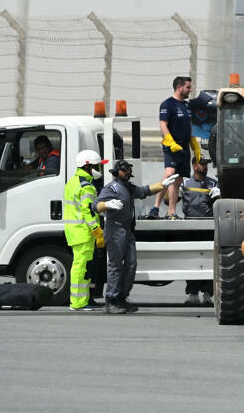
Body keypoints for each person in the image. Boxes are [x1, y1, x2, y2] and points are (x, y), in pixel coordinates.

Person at [94, 159, 178, 314]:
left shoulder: (128, 187)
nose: (128, 172)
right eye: (125, 169)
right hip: (115, 230)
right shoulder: (111, 188)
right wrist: (106, 204)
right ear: (117, 171)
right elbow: (95, 205)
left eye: (129, 169)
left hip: (127, 230)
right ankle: (111, 299)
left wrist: (163, 185)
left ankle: (121, 297)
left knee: (131, 264)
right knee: (115, 265)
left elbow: (144, 190)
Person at [147, 76, 201, 219]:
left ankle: (172, 212)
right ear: (179, 87)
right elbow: (163, 124)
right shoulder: (167, 104)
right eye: (188, 87)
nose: (190, 90)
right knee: (170, 174)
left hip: (183, 147)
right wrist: (170, 141)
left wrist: (194, 144)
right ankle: (155, 207)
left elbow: (189, 126)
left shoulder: (187, 106)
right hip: (171, 146)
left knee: (178, 180)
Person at [63, 150, 108, 311]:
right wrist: (97, 231)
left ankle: (81, 300)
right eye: (97, 166)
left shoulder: (73, 182)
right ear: (88, 166)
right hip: (83, 232)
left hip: (74, 231)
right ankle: (78, 303)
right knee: (82, 267)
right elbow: (88, 212)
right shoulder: (87, 186)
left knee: (80, 266)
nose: (99, 169)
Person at [181, 159, 219, 305]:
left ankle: (208, 294)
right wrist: (174, 190)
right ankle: (193, 293)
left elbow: (220, 204)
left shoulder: (213, 184)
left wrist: (218, 196)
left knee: (210, 261)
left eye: (206, 164)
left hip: (208, 226)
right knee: (192, 261)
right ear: (194, 166)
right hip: (190, 226)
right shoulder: (185, 184)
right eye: (202, 164)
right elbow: (168, 201)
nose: (205, 167)